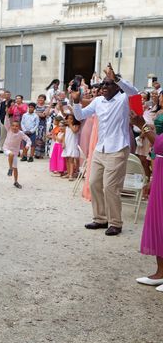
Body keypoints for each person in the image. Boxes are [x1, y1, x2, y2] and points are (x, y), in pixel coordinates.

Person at [72, 63, 139, 236]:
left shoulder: (124, 99)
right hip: (100, 149)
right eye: (102, 84)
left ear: (117, 86)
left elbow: (135, 92)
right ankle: (100, 218)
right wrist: (76, 101)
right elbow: (79, 116)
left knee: (110, 187)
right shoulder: (98, 101)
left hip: (118, 148)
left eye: (108, 84)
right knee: (94, 183)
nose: (103, 87)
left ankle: (116, 222)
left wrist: (116, 76)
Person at [131, 110, 163, 291]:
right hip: (160, 169)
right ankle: (160, 273)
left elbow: (161, 144)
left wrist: (141, 124)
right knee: (158, 221)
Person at [3, 120, 32, 189]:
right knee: (11, 154)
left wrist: (27, 145)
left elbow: (28, 140)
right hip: (6, 149)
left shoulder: (21, 133)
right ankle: (10, 168)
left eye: (16, 126)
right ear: (11, 126)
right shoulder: (9, 130)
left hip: (15, 152)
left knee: (15, 168)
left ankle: (15, 181)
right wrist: (7, 114)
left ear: (19, 127)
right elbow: (6, 122)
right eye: (13, 126)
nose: (14, 127)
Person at [62, 114, 81, 180]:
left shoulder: (76, 126)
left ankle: (71, 174)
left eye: (71, 119)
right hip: (67, 144)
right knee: (67, 159)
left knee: (71, 160)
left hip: (72, 144)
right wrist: (63, 142)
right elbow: (64, 135)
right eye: (68, 119)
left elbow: (74, 131)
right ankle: (68, 172)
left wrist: (70, 124)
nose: (69, 120)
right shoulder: (66, 127)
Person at [34, 95, 50, 159]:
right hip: (35, 123)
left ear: (44, 100)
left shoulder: (46, 107)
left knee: (41, 138)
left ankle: (40, 154)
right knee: (35, 138)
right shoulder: (35, 106)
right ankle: (35, 153)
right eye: (39, 98)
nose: (40, 99)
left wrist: (36, 113)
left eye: (42, 98)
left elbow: (44, 115)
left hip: (42, 124)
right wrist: (40, 114)